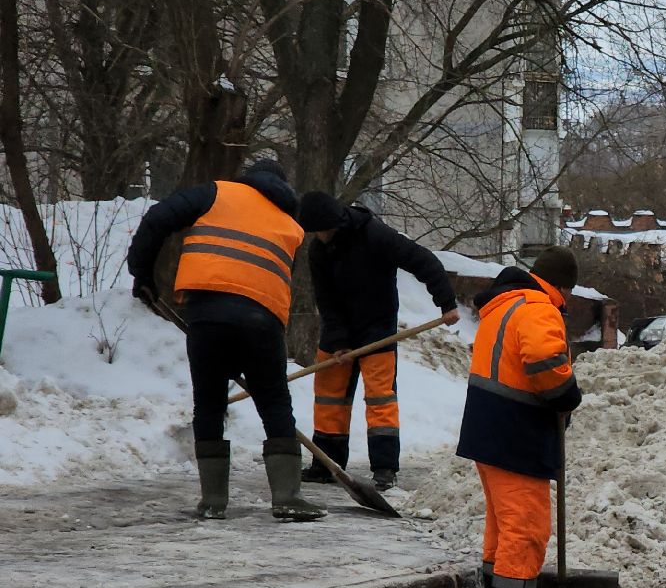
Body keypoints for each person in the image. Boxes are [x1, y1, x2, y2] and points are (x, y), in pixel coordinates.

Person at [126, 157, 329, 522]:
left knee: (209, 403)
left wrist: (143, 274)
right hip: (262, 319)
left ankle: (212, 501)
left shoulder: (216, 193)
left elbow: (157, 218)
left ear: (248, 179)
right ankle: (287, 496)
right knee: (274, 402)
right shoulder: (292, 224)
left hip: (207, 314)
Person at [455, 247, 583, 588]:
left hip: (488, 425)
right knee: (526, 521)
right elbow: (543, 360)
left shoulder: (505, 304)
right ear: (564, 286)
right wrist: (566, 395)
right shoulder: (538, 307)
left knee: (503, 520)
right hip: (516, 428)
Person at [296, 192, 460, 491]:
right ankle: (326, 464)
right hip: (338, 328)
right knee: (329, 395)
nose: (319, 236)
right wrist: (339, 341)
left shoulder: (375, 234)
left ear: (335, 223)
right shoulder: (318, 250)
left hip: (377, 327)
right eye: (315, 232)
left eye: (323, 230)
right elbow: (326, 299)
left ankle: (384, 468)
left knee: (379, 398)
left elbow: (423, 261)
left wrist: (446, 303)